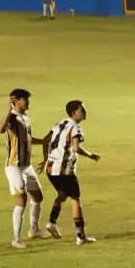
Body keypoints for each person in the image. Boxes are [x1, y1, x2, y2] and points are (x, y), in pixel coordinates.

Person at [44, 100, 101, 245]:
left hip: (50, 169)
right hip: (65, 170)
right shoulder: (75, 128)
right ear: (74, 112)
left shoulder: (59, 124)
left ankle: (51, 222)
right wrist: (90, 155)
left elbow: (47, 140)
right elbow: (75, 148)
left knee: (62, 195)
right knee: (75, 199)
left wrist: (47, 158)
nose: (85, 111)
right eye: (83, 109)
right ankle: (80, 236)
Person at [0, 89, 47, 248]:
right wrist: (8, 108)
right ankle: (16, 238)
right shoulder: (11, 118)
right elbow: (0, 129)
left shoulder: (25, 118)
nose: (28, 102)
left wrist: (44, 142)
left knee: (38, 196)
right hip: (14, 166)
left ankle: (34, 229)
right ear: (16, 101)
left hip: (26, 166)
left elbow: (27, 140)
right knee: (21, 199)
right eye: (25, 99)